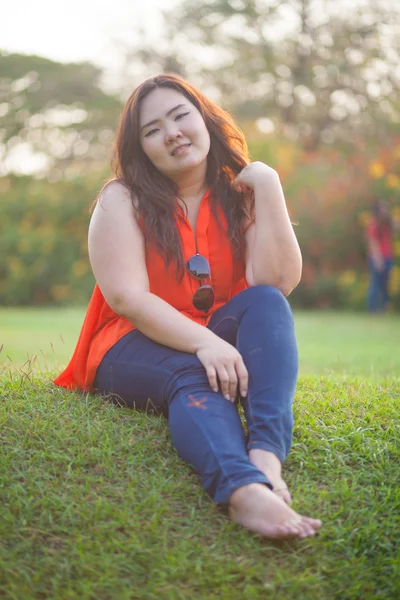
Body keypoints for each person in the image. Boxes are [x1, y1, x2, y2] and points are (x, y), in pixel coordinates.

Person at [54, 73, 322, 540]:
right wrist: (205, 344)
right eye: (153, 129)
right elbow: (127, 299)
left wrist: (269, 184)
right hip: (128, 344)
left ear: (205, 120)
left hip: (212, 329)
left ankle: (265, 458)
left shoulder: (238, 194)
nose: (172, 132)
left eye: (181, 116)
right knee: (192, 372)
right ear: (141, 149)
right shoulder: (121, 199)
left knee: (265, 303)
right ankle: (241, 492)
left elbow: (276, 283)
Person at [366, 199, 396, 312]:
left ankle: (383, 309)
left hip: (388, 257)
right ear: (378, 210)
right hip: (378, 258)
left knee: (385, 286)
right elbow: (373, 243)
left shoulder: (387, 224)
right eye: (383, 208)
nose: (385, 210)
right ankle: (372, 310)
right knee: (375, 284)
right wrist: (378, 260)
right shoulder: (373, 224)